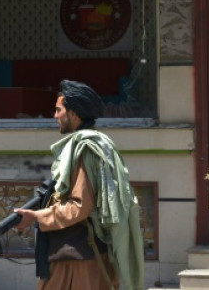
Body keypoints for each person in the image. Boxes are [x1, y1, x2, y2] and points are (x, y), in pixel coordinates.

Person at [14, 80, 144, 290]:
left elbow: (79, 206)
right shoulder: (93, 145)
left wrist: (36, 217)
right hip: (79, 252)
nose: (55, 115)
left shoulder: (84, 150)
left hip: (78, 256)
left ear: (73, 113)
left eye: (58, 110)